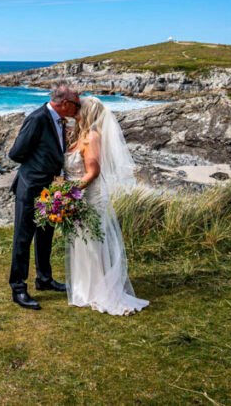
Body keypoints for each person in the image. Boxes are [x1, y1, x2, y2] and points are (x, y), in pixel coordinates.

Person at [64, 96, 149, 315]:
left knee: (92, 241)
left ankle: (99, 290)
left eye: (79, 108)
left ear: (88, 113)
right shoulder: (77, 134)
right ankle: (85, 287)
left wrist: (70, 194)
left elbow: (93, 172)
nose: (75, 110)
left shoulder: (93, 136)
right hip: (76, 195)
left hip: (88, 196)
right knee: (81, 241)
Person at [7, 83, 81, 310]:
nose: (78, 110)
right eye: (76, 105)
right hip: (31, 188)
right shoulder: (38, 118)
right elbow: (16, 153)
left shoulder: (60, 121)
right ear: (65, 103)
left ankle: (44, 279)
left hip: (51, 189)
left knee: (45, 234)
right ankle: (18, 288)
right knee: (23, 238)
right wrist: (39, 168)